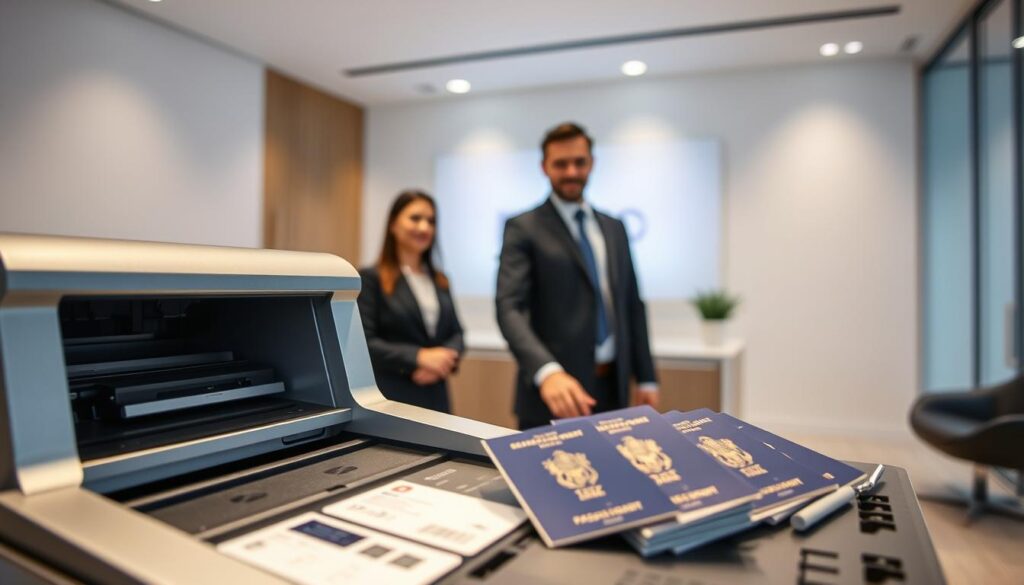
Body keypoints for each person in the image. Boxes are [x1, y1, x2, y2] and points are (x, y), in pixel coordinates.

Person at [496, 122, 659, 429]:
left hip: (614, 389)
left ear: (591, 163)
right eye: (561, 164)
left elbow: (631, 304)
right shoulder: (523, 228)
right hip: (553, 395)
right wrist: (547, 371)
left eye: (579, 162)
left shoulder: (614, 228)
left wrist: (647, 376)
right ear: (544, 167)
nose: (571, 172)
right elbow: (509, 308)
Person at [358, 190, 463, 413]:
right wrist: (419, 357)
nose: (425, 227)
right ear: (393, 224)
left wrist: (441, 363)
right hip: (393, 396)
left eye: (431, 221)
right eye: (415, 218)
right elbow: (365, 341)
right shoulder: (370, 279)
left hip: (436, 395)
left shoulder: (440, 280)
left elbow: (457, 334)